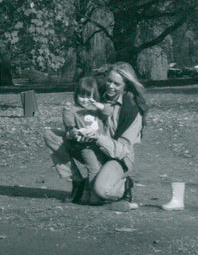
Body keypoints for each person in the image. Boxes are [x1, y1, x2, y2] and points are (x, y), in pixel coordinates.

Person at [44, 62, 148, 210]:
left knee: (100, 191)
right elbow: (78, 114)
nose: (110, 86)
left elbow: (122, 150)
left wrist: (97, 137)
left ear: (126, 85)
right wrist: (73, 132)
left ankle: (124, 185)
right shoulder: (98, 94)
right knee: (51, 135)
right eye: (109, 81)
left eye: (116, 84)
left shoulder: (132, 109)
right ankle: (77, 182)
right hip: (91, 147)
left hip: (118, 157)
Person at [58, 76, 113, 203]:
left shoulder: (96, 109)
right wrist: (75, 132)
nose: (84, 100)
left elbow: (109, 111)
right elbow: (69, 125)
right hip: (86, 146)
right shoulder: (72, 109)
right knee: (93, 169)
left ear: (94, 96)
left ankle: (87, 193)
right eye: (81, 96)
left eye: (88, 96)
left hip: (101, 144)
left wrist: (97, 104)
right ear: (76, 95)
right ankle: (93, 196)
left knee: (103, 168)